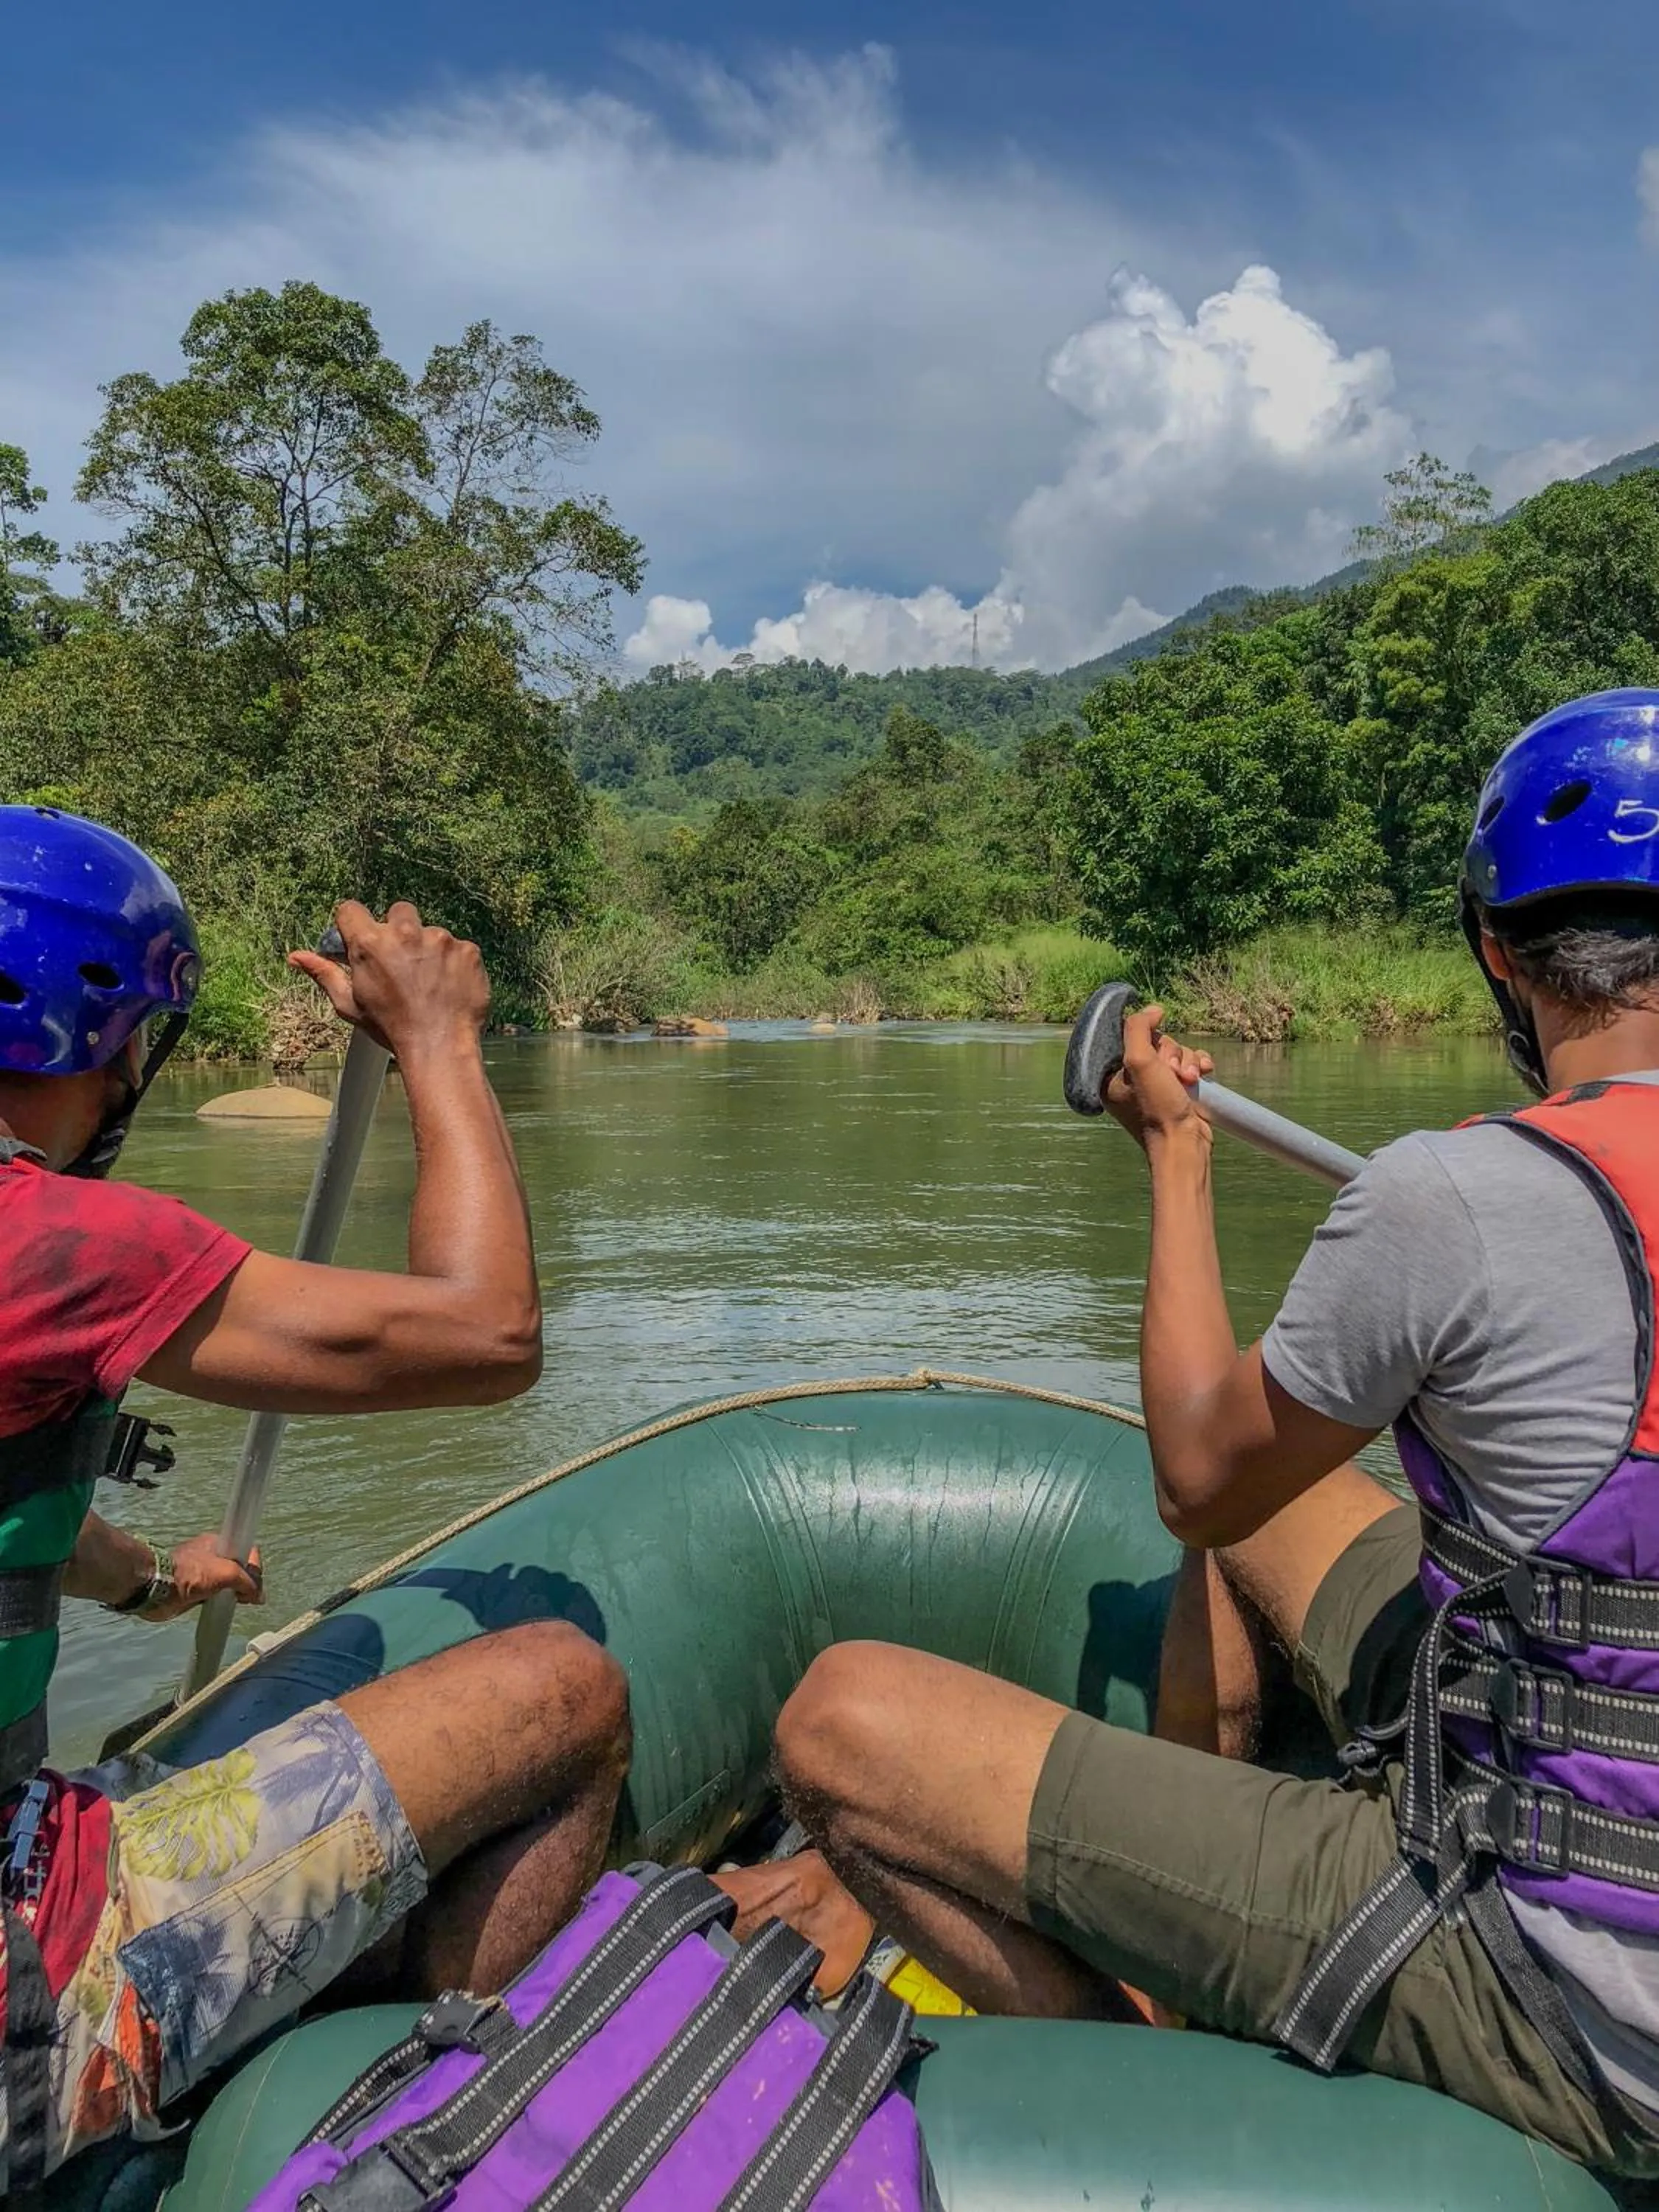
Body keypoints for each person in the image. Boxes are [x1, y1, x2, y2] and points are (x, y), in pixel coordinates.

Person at [762, 689, 1659, 2176]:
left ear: (1499, 951)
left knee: (837, 1723)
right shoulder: (1463, 1199)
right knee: (1286, 1506)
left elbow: (1191, 1471)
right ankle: (1213, 1943)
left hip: (1577, 1997)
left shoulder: (1452, 1198)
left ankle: (1168, 2108)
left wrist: (1176, 1158)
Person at [0, 807, 630, 2191]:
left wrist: (161, 1582)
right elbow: (488, 1335)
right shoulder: (55, 1243)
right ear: (90, 1044)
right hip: (22, 1979)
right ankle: (416, 2126)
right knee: (565, 1695)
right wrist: (437, 1041)